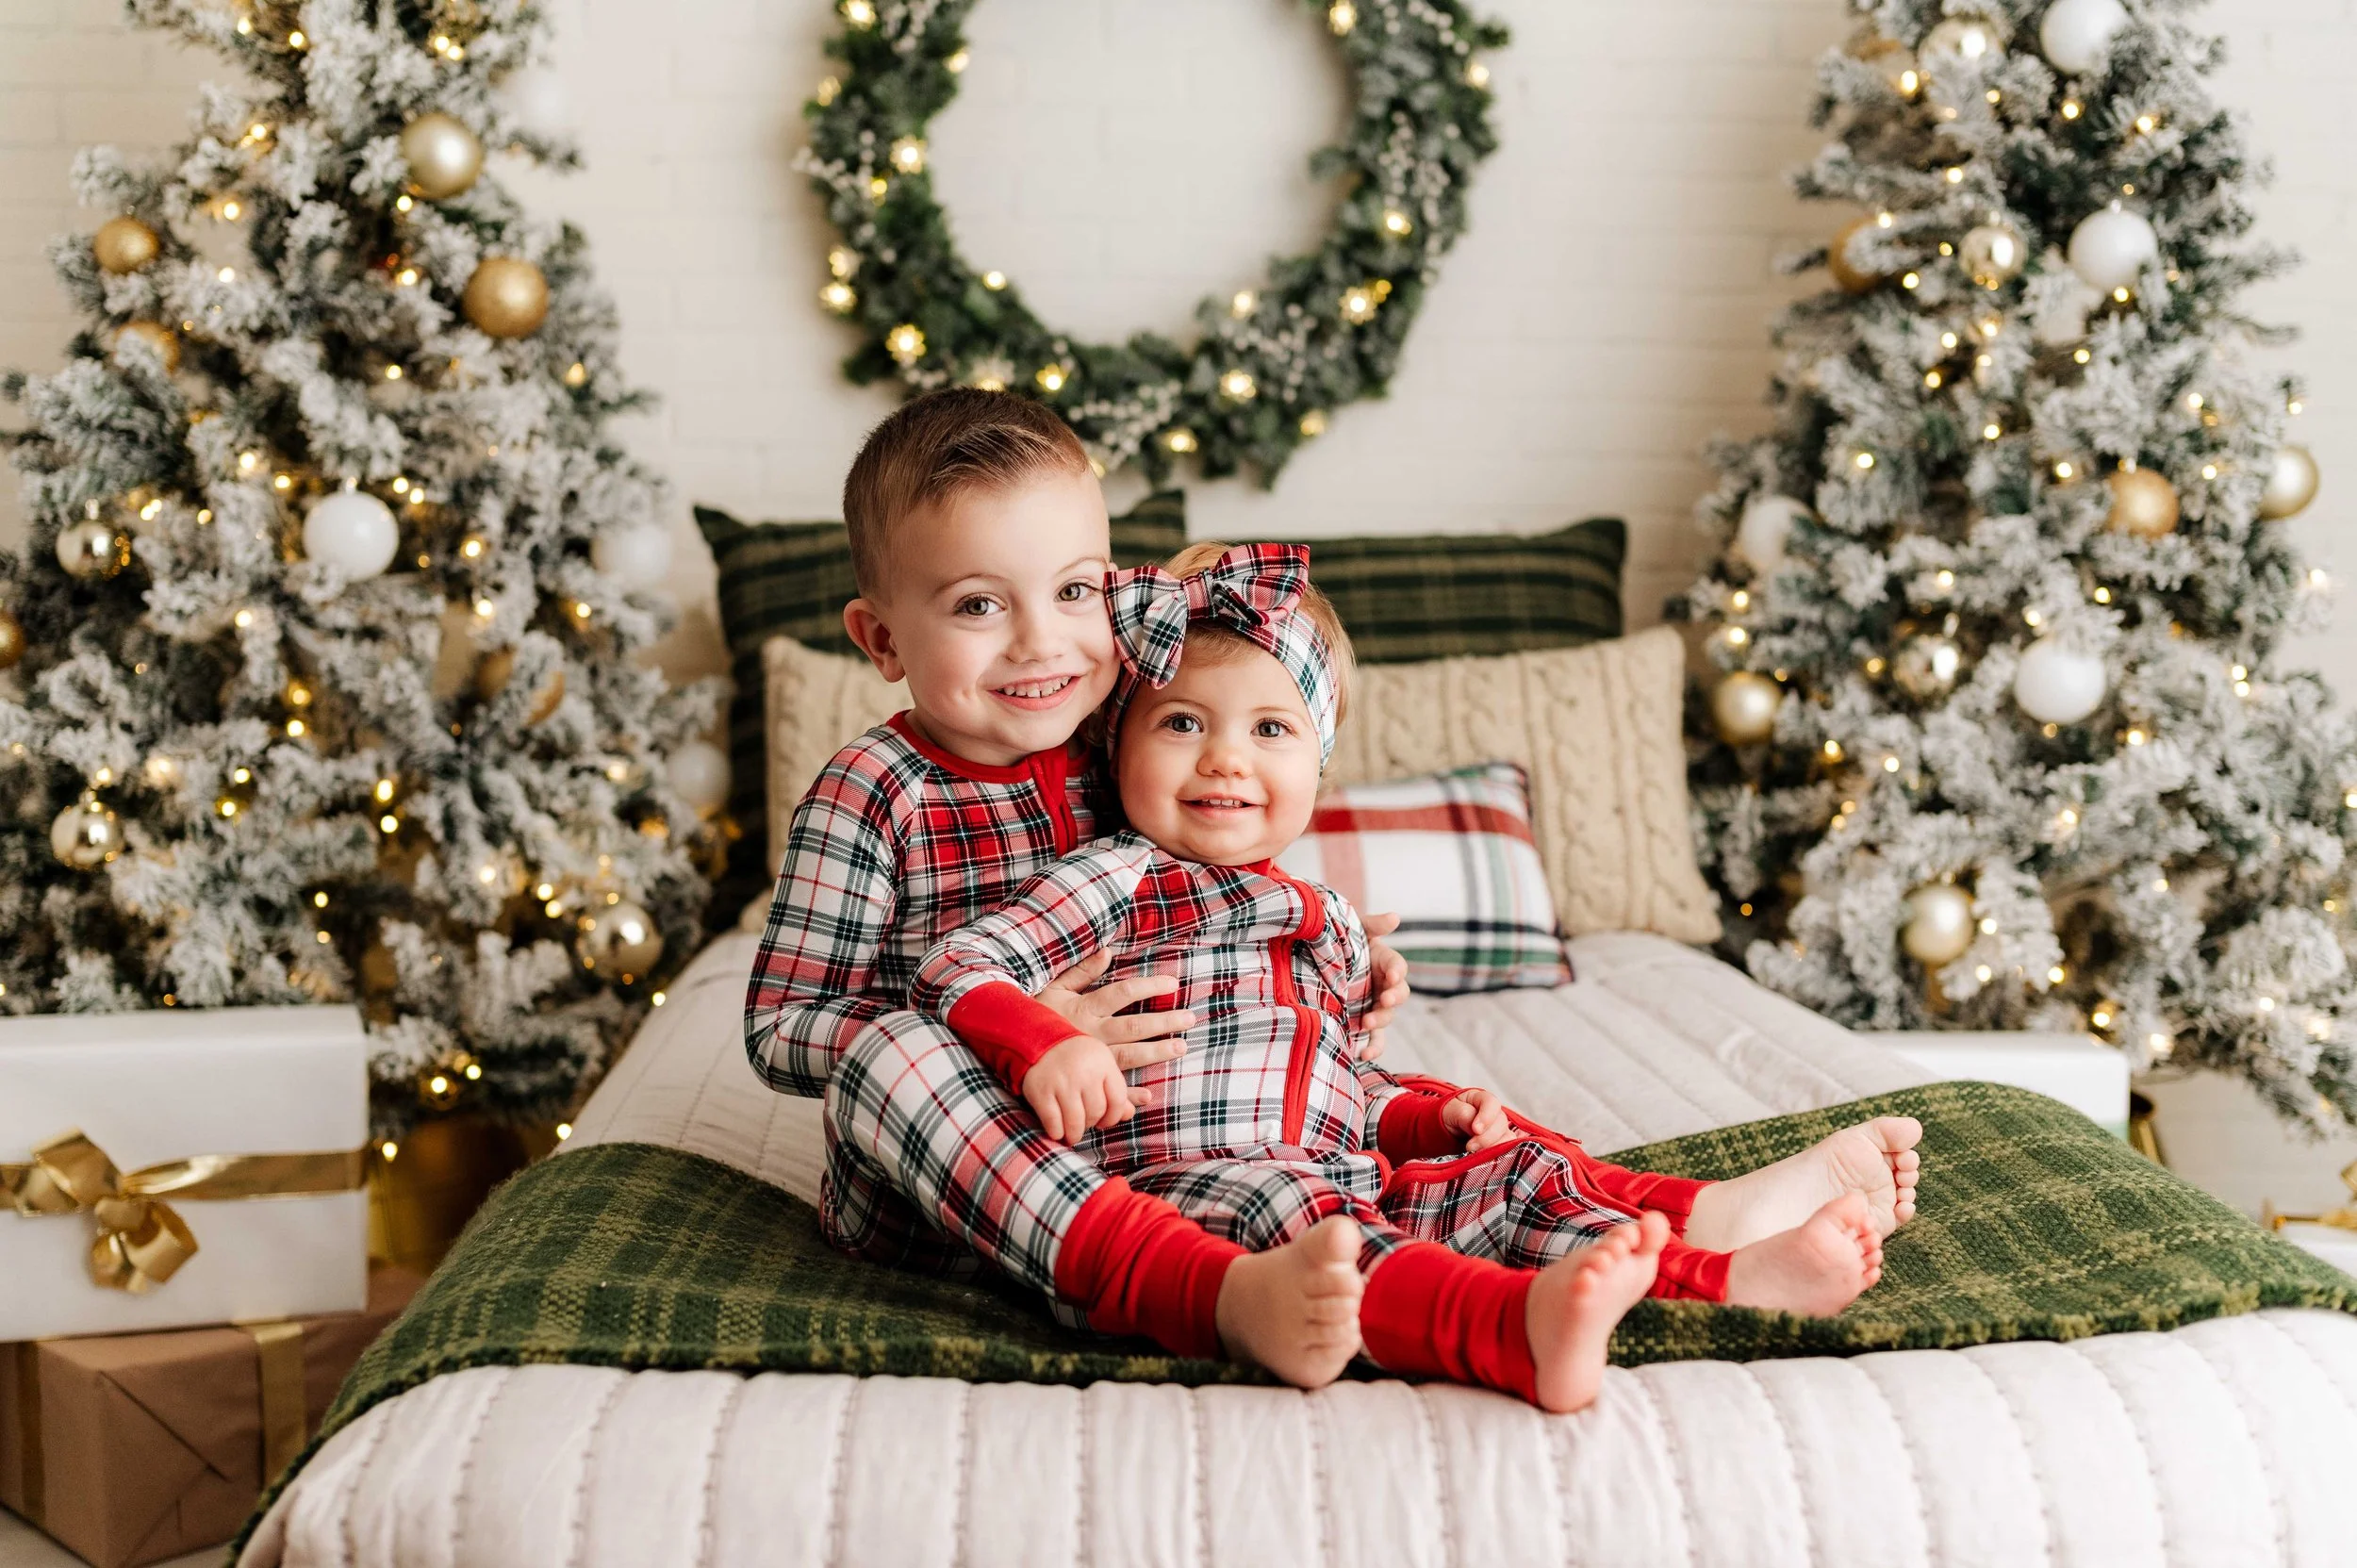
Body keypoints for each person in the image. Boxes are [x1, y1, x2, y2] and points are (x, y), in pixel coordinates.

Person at [904, 541, 1922, 1411]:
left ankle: (1730, 1273)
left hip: (1335, 1162)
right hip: (1190, 1187)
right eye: (1181, 722)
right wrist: (1048, 1038)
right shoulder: (1113, 876)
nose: (1224, 759)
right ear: (1114, 741)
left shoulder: (1327, 922)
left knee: (1512, 1179)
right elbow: (958, 964)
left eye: (1269, 729)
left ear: (1318, 766)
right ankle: (1510, 1332)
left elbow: (1335, 1089)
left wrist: (1416, 1127)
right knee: (1322, 1234)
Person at [745, 389, 1408, 1387]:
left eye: (1074, 592)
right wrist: (1006, 1029)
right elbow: (781, 1027)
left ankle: (1603, 1229)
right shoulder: (873, 791)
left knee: (1373, 1094)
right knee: (894, 1049)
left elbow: (1214, 892)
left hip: (1143, 1135)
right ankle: (1199, 1290)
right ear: (881, 640)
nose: (1039, 643)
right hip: (940, 1175)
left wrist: (1342, 962)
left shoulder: (1124, 739)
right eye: (978, 603)